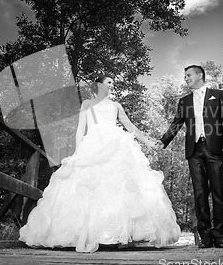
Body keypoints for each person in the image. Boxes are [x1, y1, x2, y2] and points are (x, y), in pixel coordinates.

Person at [19, 74, 180, 253]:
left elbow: (131, 127)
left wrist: (149, 141)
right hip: (93, 144)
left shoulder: (116, 106)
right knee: (88, 186)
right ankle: (92, 233)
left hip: (116, 143)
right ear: (99, 85)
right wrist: (78, 152)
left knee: (120, 186)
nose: (112, 85)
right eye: (109, 82)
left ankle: (119, 234)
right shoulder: (87, 104)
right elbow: (81, 129)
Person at [155, 65, 223, 248]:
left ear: (200, 75)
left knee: (218, 193)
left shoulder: (218, 94)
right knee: (200, 194)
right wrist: (163, 141)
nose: (186, 78)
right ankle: (205, 237)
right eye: (185, 76)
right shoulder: (184, 101)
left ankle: (220, 235)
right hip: (194, 151)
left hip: (215, 148)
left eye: (188, 75)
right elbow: (176, 123)